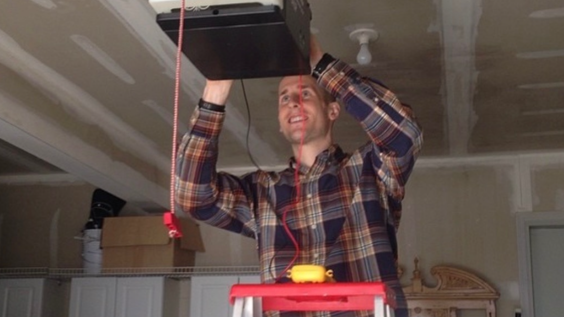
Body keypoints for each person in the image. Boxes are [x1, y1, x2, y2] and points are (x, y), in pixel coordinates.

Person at [175, 36, 423, 317]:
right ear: (280, 124)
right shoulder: (261, 193)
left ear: (332, 110)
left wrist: (321, 65)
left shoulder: (371, 169)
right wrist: (215, 92)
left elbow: (404, 135)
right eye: (284, 98)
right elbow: (192, 195)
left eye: (305, 93)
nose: (292, 102)